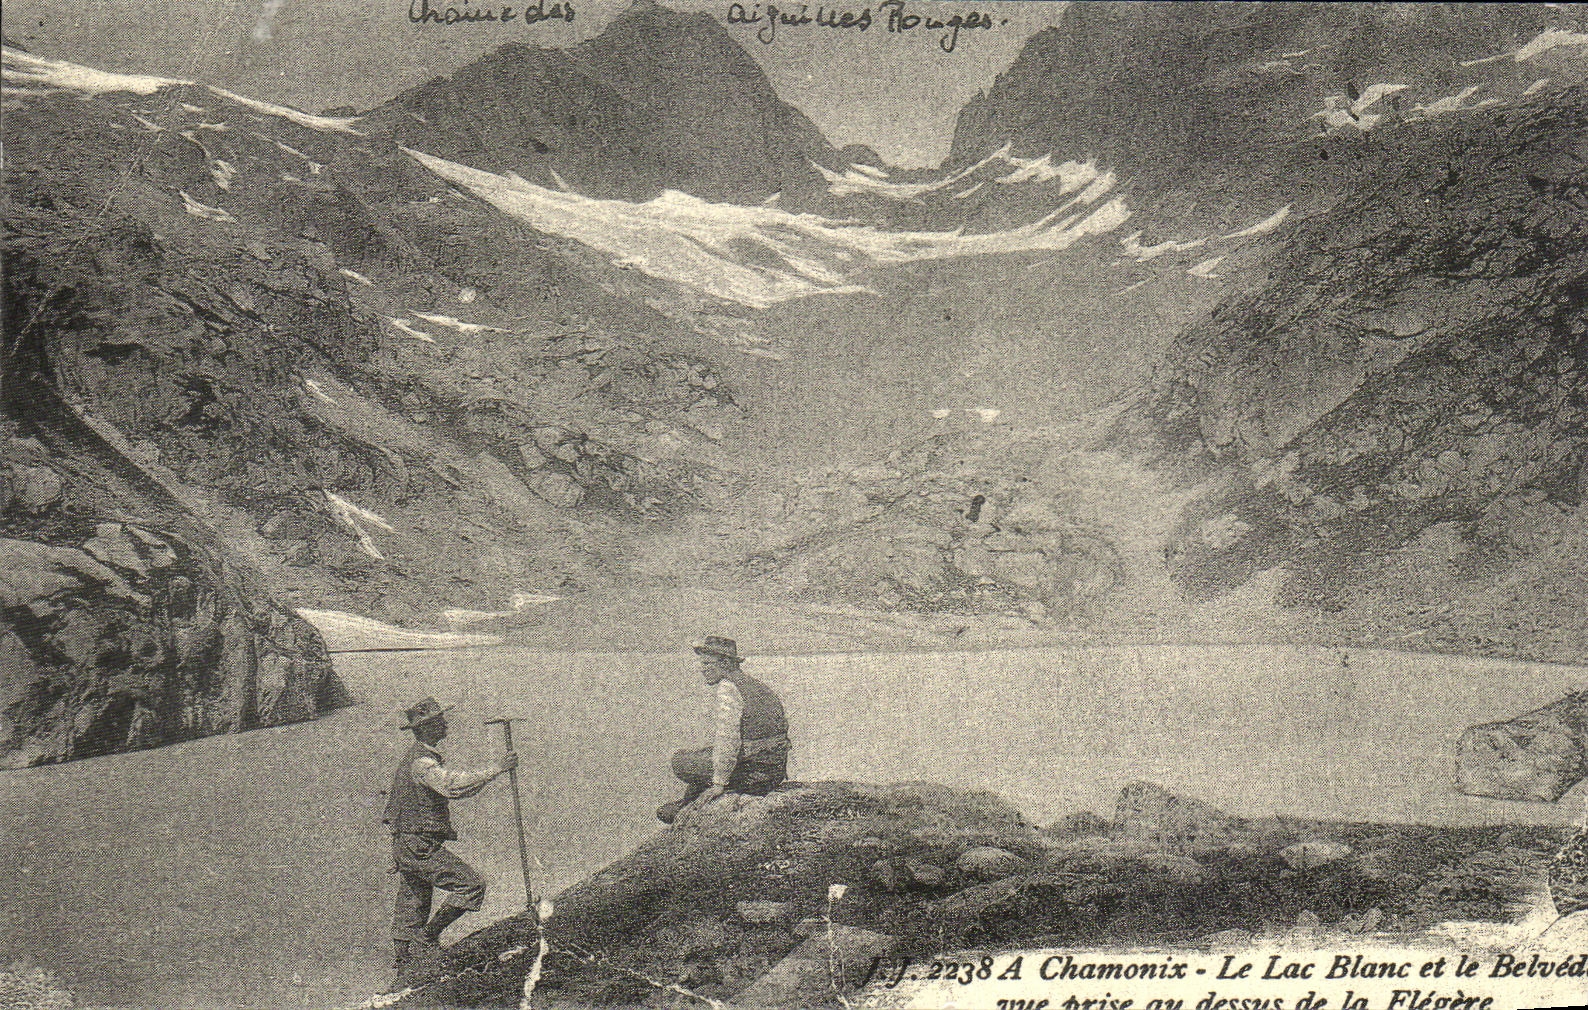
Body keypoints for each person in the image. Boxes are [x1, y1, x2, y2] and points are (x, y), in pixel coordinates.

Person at [382, 696, 516, 981]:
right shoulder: (422, 763)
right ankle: (427, 940)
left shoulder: (418, 759)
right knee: (471, 884)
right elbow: (453, 786)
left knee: (412, 903)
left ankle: (406, 971)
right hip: (419, 845)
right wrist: (497, 769)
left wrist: (491, 775)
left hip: (408, 844)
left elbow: (460, 790)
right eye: (440, 721)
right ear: (428, 728)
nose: (445, 724)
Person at [657, 635, 789, 824]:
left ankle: (687, 807)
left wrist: (719, 783)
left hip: (755, 776)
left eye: (708, 663)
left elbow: (729, 740)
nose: (703, 669)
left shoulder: (729, 688)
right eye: (702, 663)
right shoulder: (756, 686)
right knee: (705, 755)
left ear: (726, 663)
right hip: (774, 771)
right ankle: (687, 804)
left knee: (680, 762)